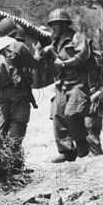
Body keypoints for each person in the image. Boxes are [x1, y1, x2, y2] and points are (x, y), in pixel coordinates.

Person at [42, 9, 92, 162]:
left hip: (77, 84)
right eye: (52, 25)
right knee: (58, 116)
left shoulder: (78, 37)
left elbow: (82, 56)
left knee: (71, 114)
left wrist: (63, 63)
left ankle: (82, 143)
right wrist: (46, 53)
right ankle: (67, 152)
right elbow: (50, 67)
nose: (53, 28)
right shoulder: (54, 43)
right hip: (61, 85)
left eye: (55, 24)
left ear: (64, 24)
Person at [0, 18, 39, 147]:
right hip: (18, 93)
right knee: (18, 124)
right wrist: (37, 52)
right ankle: (12, 158)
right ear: (12, 32)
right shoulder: (18, 46)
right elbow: (34, 64)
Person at [86, 53, 103, 155]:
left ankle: (98, 155)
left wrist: (95, 96)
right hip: (86, 99)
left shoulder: (98, 59)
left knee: (91, 129)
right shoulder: (81, 60)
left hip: (96, 101)